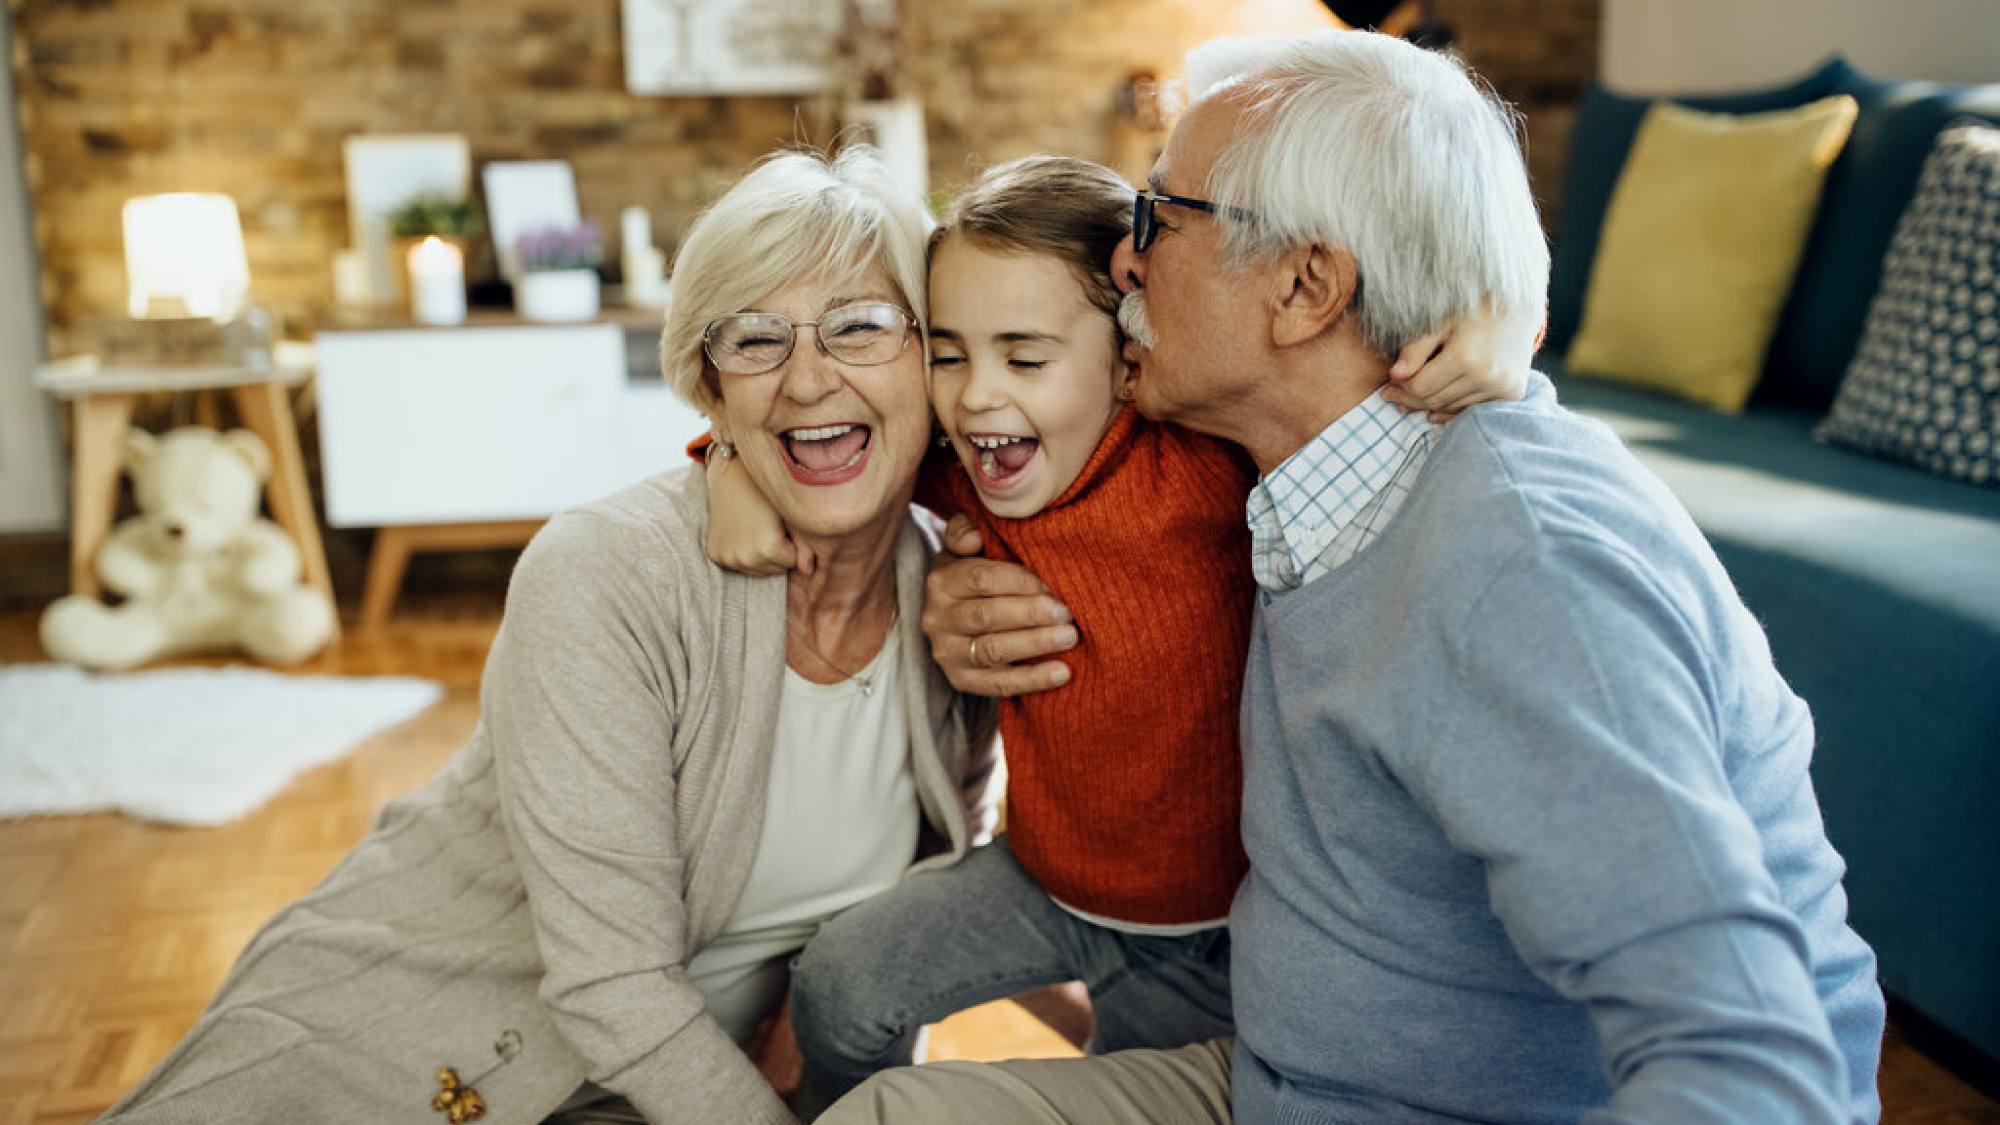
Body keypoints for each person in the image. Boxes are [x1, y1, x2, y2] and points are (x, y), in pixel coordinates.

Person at [827, 29, 1886, 1125]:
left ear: (1305, 286)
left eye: (1159, 219)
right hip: (1277, 1077)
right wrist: (957, 585)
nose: (1123, 263)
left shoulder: (1523, 575)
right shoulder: (1285, 466)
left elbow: (1761, 1076)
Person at [99, 146, 1000, 1125]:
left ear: (932, 356)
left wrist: (815, 1002)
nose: (807, 377)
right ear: (711, 390)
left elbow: (931, 875)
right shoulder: (606, 572)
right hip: (407, 1065)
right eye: (754, 340)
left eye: (859, 327)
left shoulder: (956, 597)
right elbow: (613, 985)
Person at [697, 152, 1537, 1102]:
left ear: (1131, 360)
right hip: (1041, 878)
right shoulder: (972, 461)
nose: (974, 397)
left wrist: (1503, 323)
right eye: (948, 352)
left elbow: (1372, 387)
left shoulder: (1208, 463)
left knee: (1131, 1087)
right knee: (843, 987)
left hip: (1210, 925)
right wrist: (726, 460)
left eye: (1025, 356)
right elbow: (836, 443)